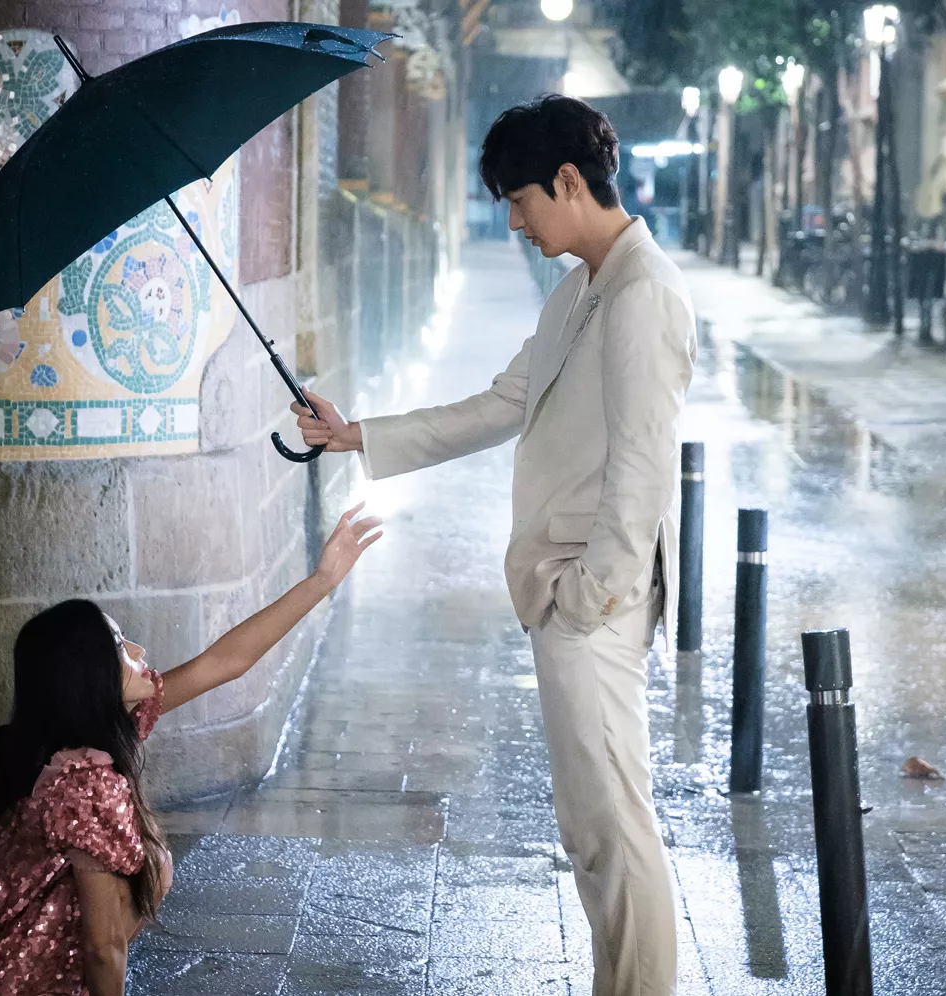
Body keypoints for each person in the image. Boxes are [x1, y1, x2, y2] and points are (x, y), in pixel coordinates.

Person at [293, 95, 696, 996]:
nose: (514, 222)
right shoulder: (583, 287)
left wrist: (587, 597)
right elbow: (501, 404)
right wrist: (357, 435)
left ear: (568, 181)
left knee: (614, 831)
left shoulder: (643, 292)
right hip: (565, 591)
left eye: (520, 200)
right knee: (592, 829)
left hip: (591, 599)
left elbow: (643, 469)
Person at [0, 505, 383, 996]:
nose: (139, 651)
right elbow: (102, 948)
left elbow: (225, 662)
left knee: (146, 865)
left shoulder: (68, 735)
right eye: (120, 647)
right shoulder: (85, 786)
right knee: (144, 875)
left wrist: (322, 580)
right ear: (89, 679)